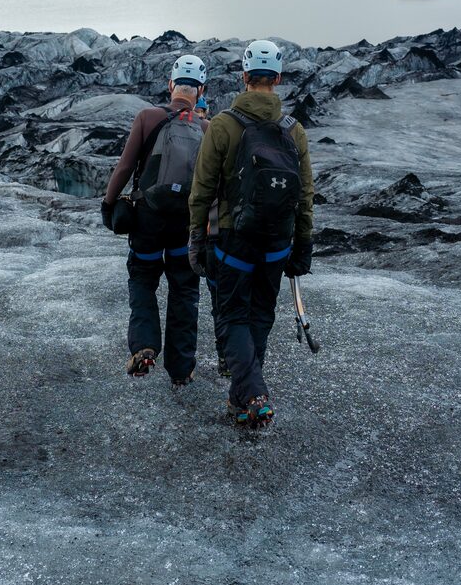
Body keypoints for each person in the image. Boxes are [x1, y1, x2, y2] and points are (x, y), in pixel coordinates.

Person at [188, 39, 314, 427]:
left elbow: (202, 189)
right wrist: (303, 243)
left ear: (244, 77)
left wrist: (197, 237)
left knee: (232, 318)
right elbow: (305, 195)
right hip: (278, 243)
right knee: (260, 316)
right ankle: (240, 400)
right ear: (277, 78)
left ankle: (255, 391)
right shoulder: (295, 131)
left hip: (233, 241)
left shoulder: (223, 125)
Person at [101, 54, 210, 386]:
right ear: (201, 89)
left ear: (171, 85)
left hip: (147, 219)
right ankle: (181, 370)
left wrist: (109, 204)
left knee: (143, 281)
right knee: (184, 291)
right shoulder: (207, 127)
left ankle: (145, 346)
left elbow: (124, 167)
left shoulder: (148, 117)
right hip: (185, 224)